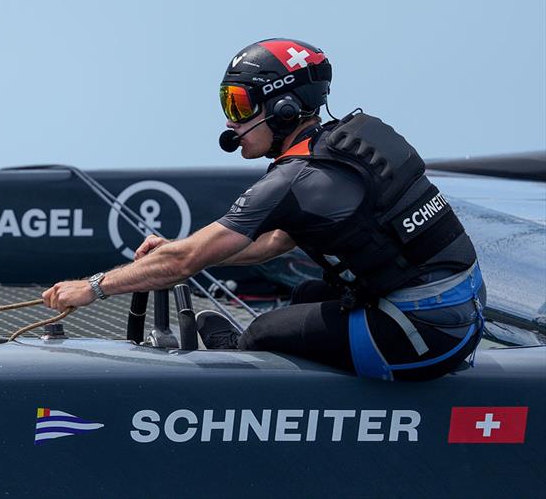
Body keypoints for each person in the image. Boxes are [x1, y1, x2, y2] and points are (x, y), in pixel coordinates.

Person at [42, 38, 485, 381]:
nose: (231, 121)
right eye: (227, 104)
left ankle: (240, 356)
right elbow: (272, 242)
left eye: (239, 104)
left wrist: (93, 288)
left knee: (262, 334)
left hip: (426, 337)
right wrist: (183, 249)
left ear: (283, 107)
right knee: (306, 297)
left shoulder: (294, 180)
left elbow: (183, 264)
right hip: (458, 317)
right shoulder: (337, 150)